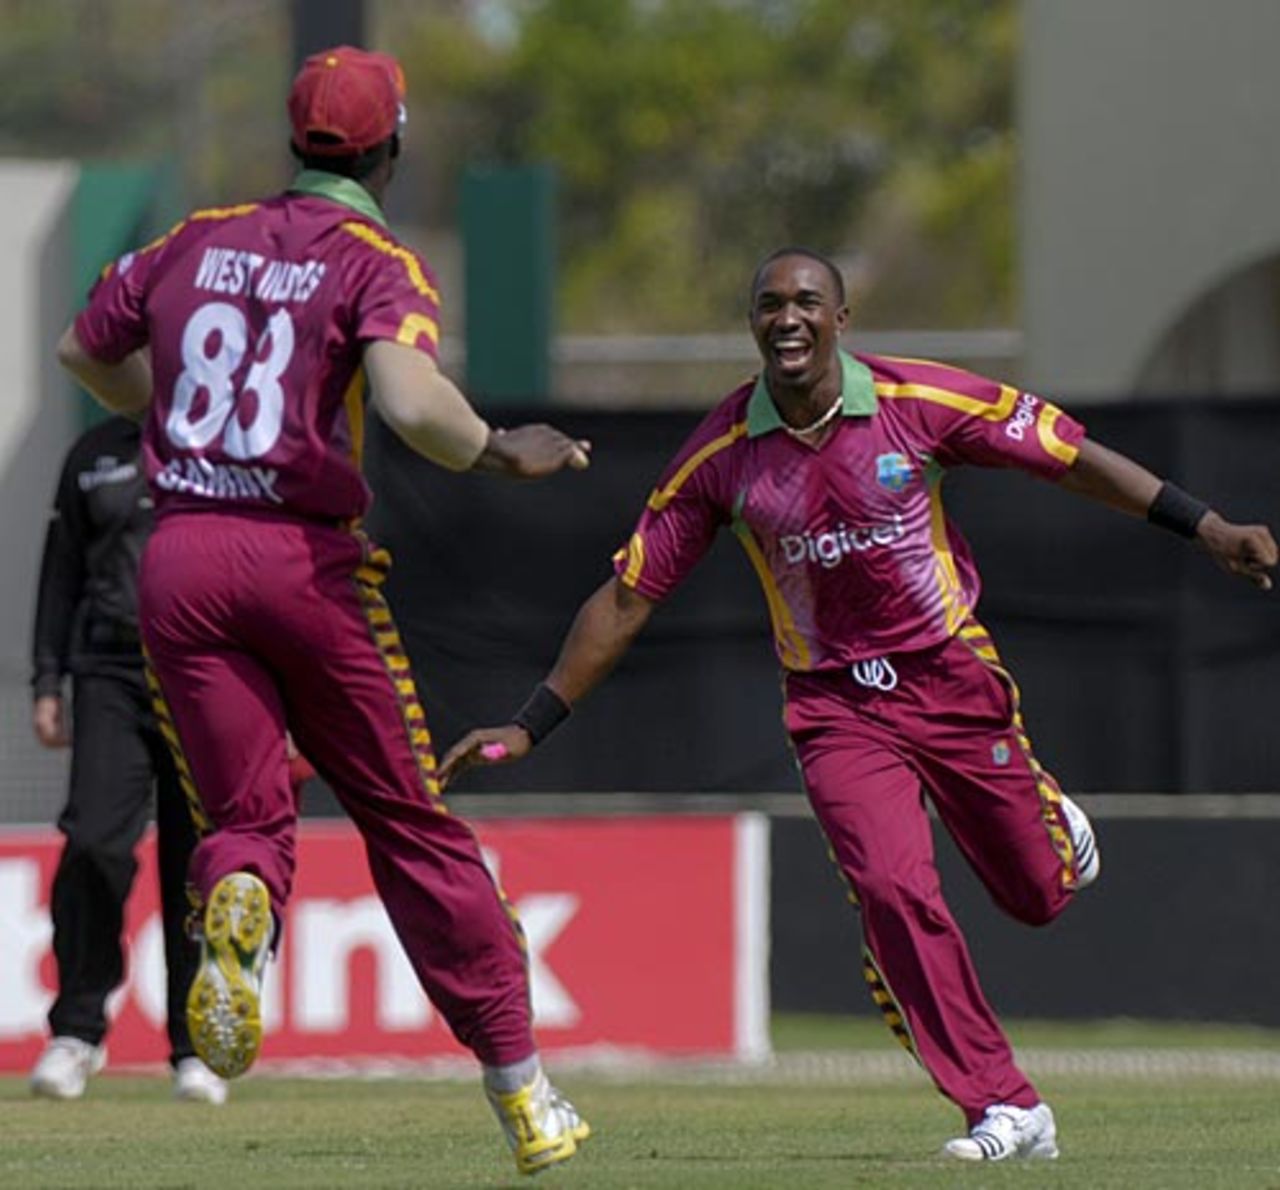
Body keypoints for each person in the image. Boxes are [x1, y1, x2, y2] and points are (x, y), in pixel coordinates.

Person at [440, 247, 1278, 1163]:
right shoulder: (724, 454)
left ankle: (1049, 825)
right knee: (889, 889)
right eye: (769, 305)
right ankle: (1003, 1104)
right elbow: (629, 598)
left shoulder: (920, 402)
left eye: (807, 302)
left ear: (842, 321)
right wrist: (530, 723)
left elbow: (1069, 458)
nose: (787, 318)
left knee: (1037, 895)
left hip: (947, 676)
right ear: (752, 324)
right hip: (834, 706)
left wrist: (1208, 528)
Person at [56, 45, 591, 1176]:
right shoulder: (372, 259)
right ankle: (524, 1093)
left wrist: (173, 419)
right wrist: (497, 450)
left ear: (294, 141)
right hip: (303, 564)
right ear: (392, 147)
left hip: (181, 558)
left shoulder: (191, 238)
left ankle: (239, 899)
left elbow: (85, 348)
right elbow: (405, 397)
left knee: (243, 817)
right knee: (410, 821)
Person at [29, 414, 227, 1104]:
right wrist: (46, 681)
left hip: (206, 671)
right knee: (92, 843)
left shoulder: (227, 438)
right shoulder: (92, 451)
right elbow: (61, 575)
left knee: (198, 862)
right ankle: (77, 1031)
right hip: (108, 671)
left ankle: (195, 1046)